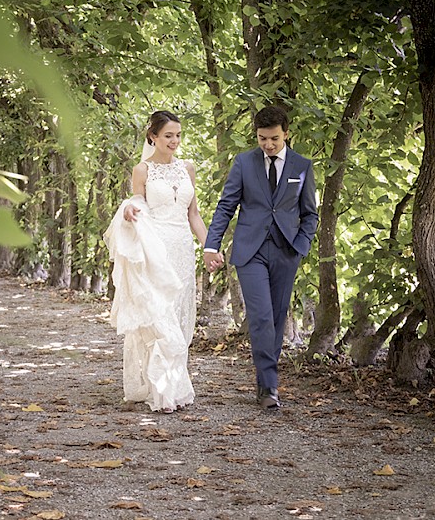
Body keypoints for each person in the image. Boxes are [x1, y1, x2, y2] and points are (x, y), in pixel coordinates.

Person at [203, 105, 318, 409]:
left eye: (274, 139)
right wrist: (211, 246)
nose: (268, 144)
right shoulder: (243, 163)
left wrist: (301, 246)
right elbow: (226, 206)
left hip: (286, 251)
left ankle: (265, 383)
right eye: (262, 138)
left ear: (286, 134)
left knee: (278, 317)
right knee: (262, 317)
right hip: (249, 251)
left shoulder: (302, 166)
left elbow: (311, 214)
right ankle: (269, 387)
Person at [103, 111, 210, 413]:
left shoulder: (187, 168)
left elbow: (194, 215)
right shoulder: (142, 170)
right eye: (168, 136)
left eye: (177, 135)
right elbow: (138, 202)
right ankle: (162, 392)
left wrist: (209, 247)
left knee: (178, 317)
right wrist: (129, 210)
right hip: (155, 250)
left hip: (182, 251)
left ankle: (172, 384)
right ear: (153, 137)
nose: (174, 141)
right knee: (161, 321)